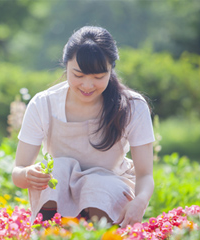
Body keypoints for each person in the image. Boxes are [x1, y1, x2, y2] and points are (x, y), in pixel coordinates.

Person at [12, 26, 155, 228]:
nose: (87, 86)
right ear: (66, 66)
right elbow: (18, 171)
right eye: (78, 75)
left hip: (108, 193)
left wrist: (140, 202)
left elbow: (145, 175)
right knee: (58, 169)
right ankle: (49, 231)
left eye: (98, 77)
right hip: (58, 195)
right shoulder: (44, 104)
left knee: (97, 183)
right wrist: (28, 174)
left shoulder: (132, 106)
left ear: (111, 69)